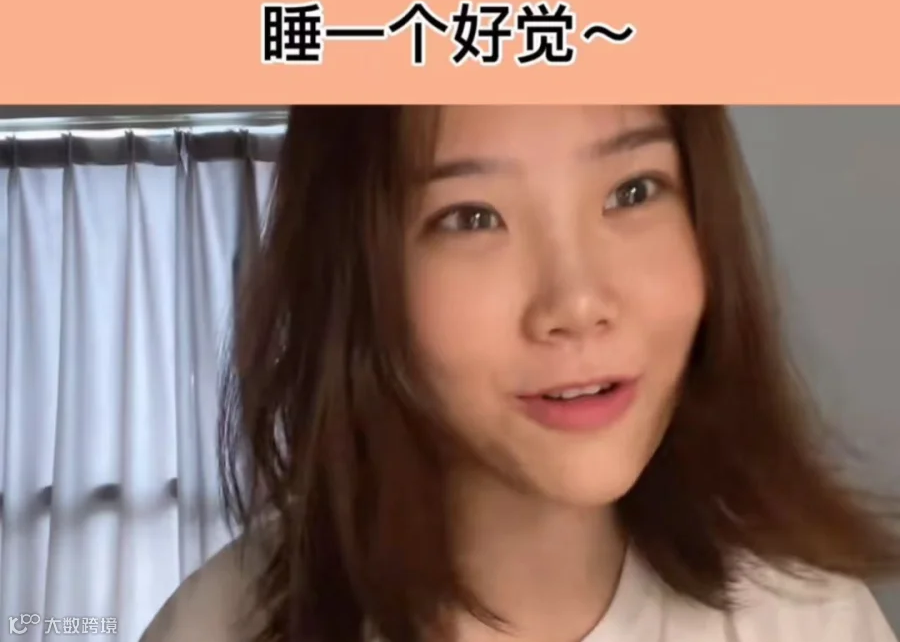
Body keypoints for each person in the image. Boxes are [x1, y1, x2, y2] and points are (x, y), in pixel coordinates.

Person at [140, 106, 900, 642]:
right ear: (353, 273)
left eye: (632, 191)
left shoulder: (811, 620)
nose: (577, 303)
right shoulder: (216, 627)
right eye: (472, 217)